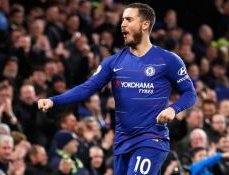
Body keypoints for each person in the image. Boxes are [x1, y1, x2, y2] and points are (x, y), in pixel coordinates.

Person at [38, 2, 197, 174]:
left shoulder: (168, 60)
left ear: (145, 24)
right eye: (122, 20)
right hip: (122, 142)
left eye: (129, 19)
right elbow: (88, 88)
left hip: (151, 140)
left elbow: (190, 93)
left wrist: (174, 109)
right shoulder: (114, 62)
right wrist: (54, 100)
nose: (123, 24)